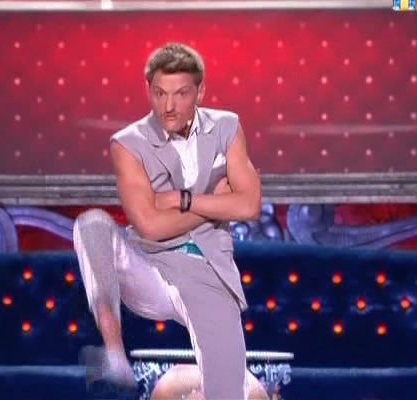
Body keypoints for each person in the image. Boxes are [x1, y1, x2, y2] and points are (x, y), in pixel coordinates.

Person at [74, 42, 262, 400]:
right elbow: (149, 226)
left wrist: (180, 199)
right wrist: (217, 202)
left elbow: (250, 205)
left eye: (180, 94)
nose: (168, 106)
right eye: (160, 93)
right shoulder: (128, 143)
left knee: (227, 393)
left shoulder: (226, 127)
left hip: (207, 273)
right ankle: (114, 354)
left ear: (200, 92)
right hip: (150, 266)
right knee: (92, 225)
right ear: (148, 90)